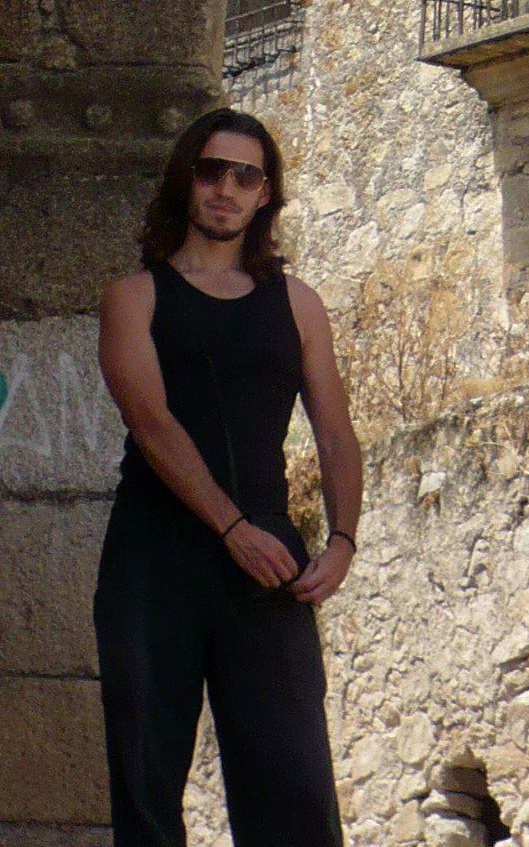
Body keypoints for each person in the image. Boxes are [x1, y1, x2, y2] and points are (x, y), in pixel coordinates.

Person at [94, 107, 362, 847]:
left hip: (267, 562)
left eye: (245, 175)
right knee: (147, 789)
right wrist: (230, 527)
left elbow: (335, 432)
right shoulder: (134, 298)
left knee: (294, 790)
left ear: (265, 193)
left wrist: (341, 540)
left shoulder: (297, 303)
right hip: (155, 559)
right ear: (188, 181)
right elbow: (152, 425)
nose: (226, 188)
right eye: (212, 171)